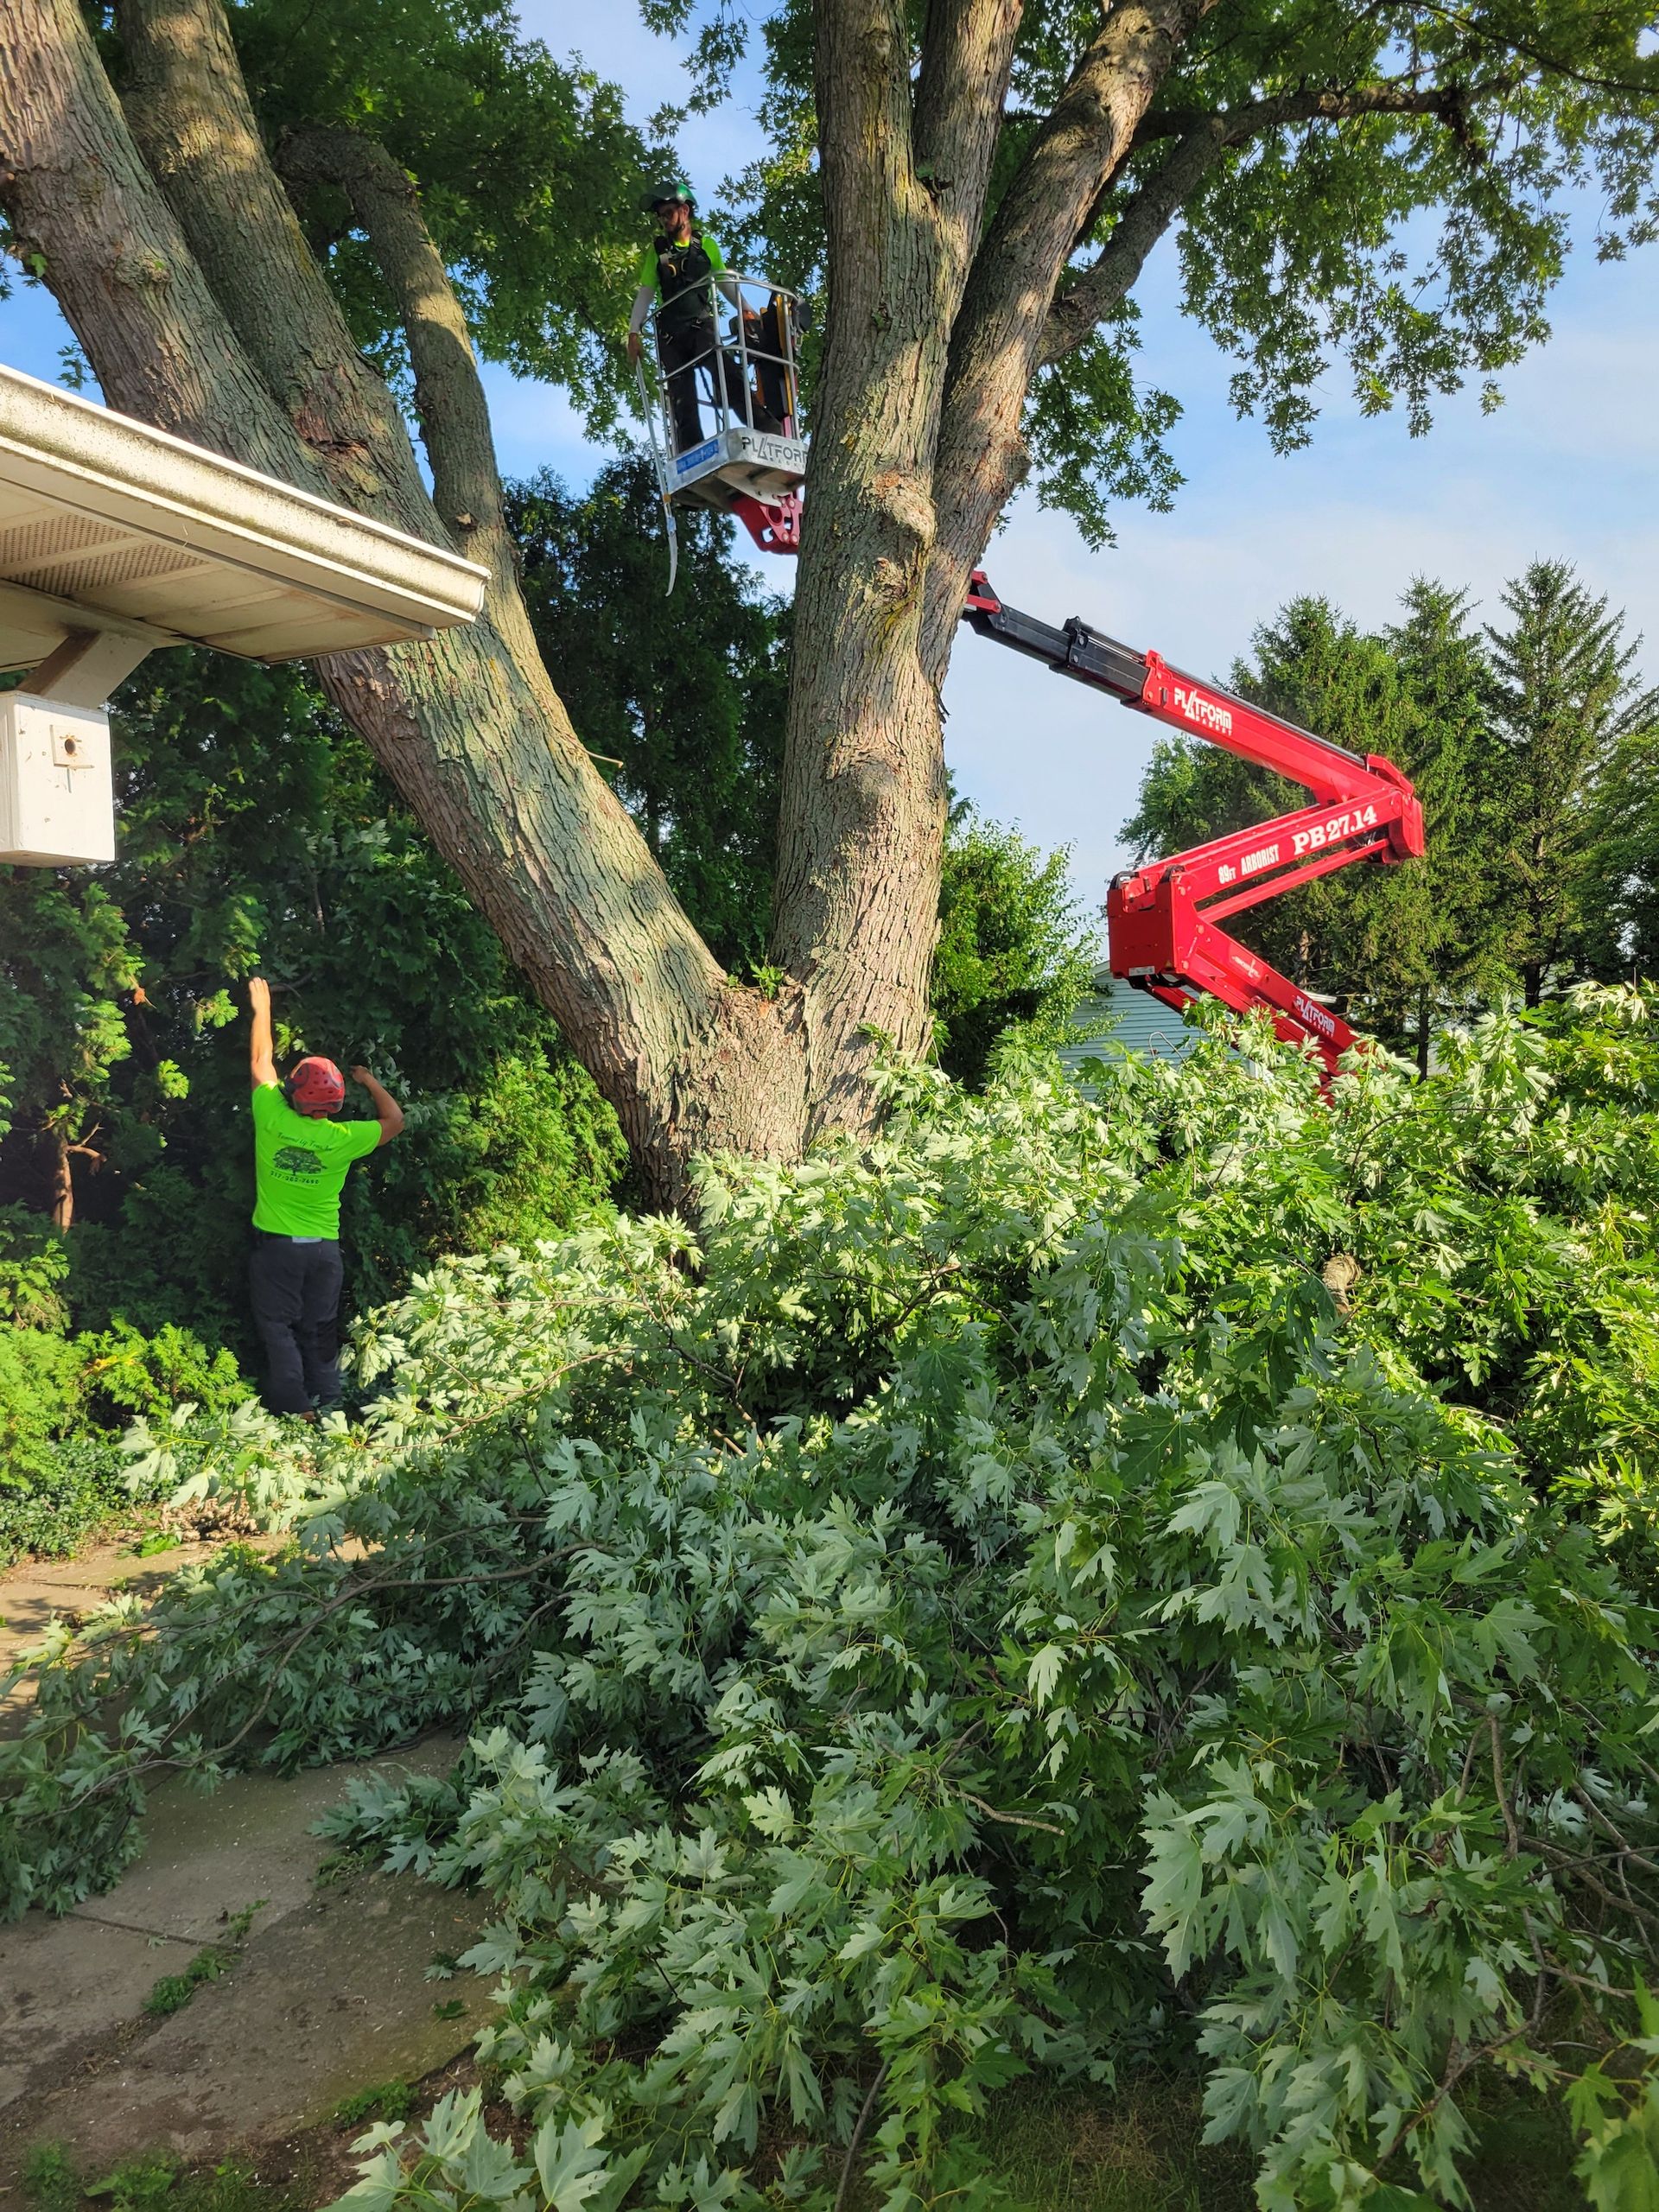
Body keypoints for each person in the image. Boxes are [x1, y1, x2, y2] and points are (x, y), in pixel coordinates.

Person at [245, 976, 403, 1418]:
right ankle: (331, 1407)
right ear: (334, 1105)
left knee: (278, 1326)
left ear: (294, 1094)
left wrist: (262, 1009)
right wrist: (369, 1080)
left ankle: (296, 1408)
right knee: (320, 1328)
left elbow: (260, 1058)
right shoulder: (345, 1137)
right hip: (323, 1251)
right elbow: (395, 1120)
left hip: (275, 1247)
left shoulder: (271, 1113)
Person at [626, 183, 779, 452]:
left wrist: (745, 309)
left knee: (726, 372)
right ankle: (690, 450)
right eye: (660, 216)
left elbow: (722, 280)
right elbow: (647, 292)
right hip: (670, 334)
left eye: (669, 213)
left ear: (684, 211)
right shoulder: (658, 251)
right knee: (682, 396)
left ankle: (767, 430)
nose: (664, 220)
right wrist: (633, 331)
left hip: (700, 326)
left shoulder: (706, 246)